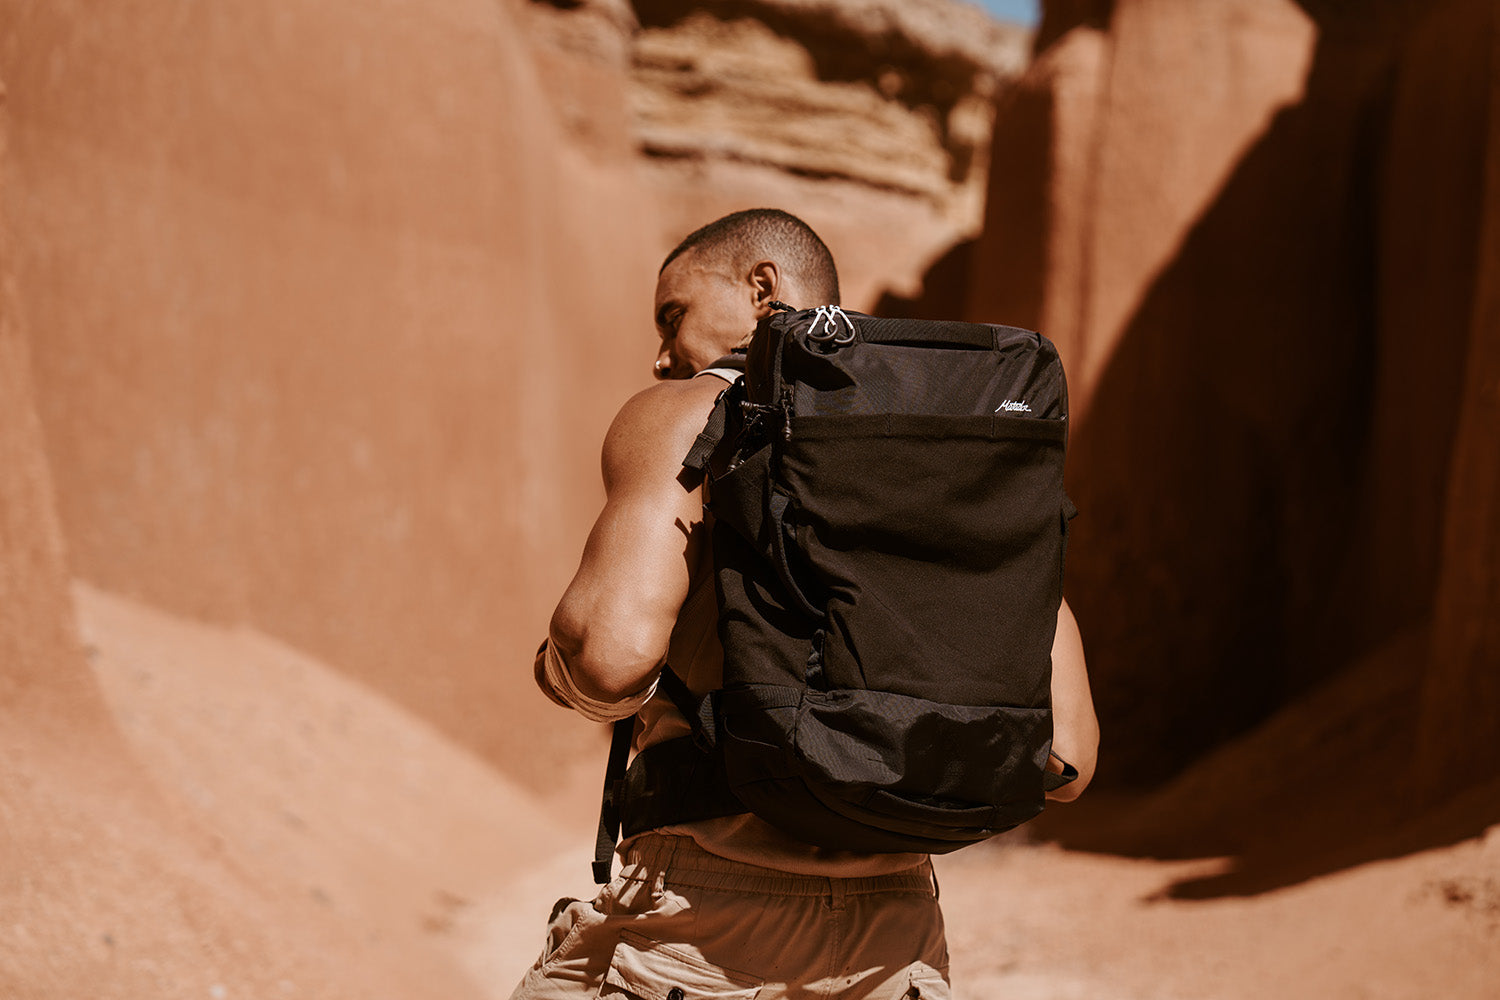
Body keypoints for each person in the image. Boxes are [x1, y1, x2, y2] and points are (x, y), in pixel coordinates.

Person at [512, 209, 1099, 1000]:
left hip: (704, 926)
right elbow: (1067, 761)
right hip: (901, 938)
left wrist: (556, 671)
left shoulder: (691, 412)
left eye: (672, 315)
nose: (661, 356)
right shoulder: (954, 431)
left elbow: (608, 661)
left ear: (763, 288)